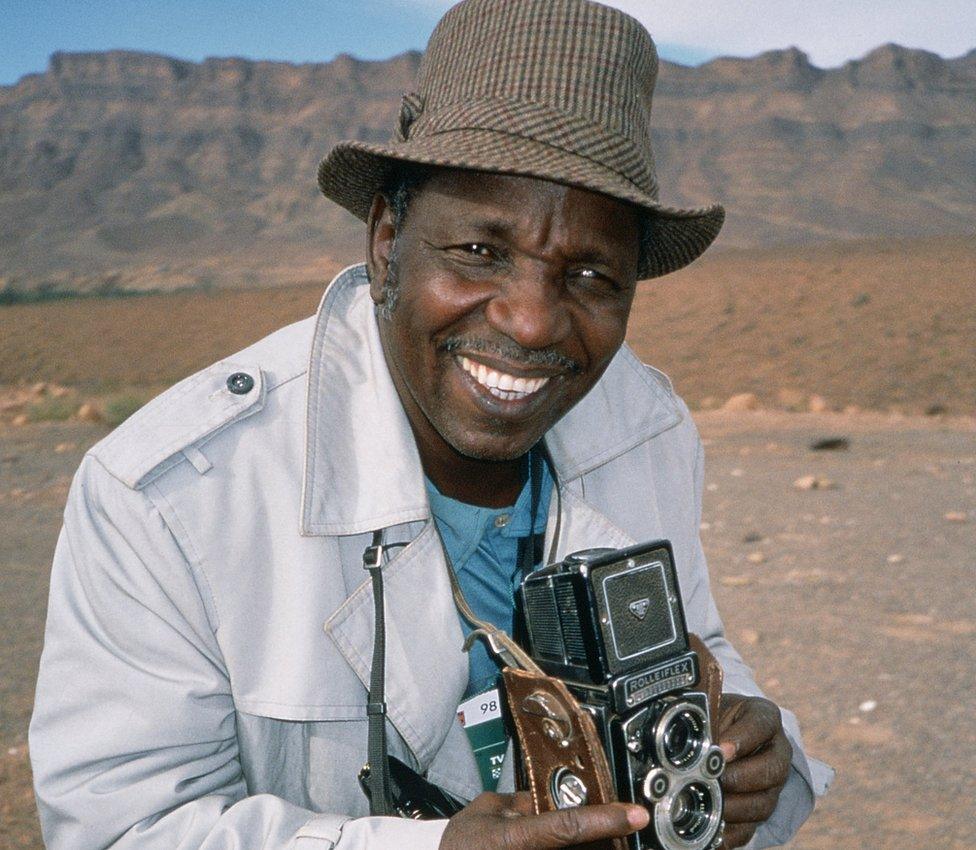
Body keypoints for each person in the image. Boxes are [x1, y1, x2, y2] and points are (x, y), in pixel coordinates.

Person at [29, 1, 832, 848]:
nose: (531, 323)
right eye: (480, 253)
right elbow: (121, 830)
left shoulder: (647, 430)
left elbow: (693, 640)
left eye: (592, 274)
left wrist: (743, 746)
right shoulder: (170, 496)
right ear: (386, 242)